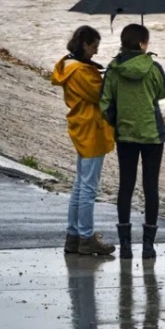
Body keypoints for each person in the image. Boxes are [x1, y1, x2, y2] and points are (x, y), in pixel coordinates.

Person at [100, 24, 165, 259]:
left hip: (125, 135)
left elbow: (105, 102)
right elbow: (161, 93)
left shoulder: (113, 69)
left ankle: (126, 246)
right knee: (151, 187)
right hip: (152, 135)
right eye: (146, 41)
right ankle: (148, 246)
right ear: (141, 44)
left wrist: (117, 122)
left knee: (125, 186)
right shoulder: (154, 68)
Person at [52, 25, 116, 256]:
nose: (96, 53)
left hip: (80, 126)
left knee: (80, 186)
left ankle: (74, 236)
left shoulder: (68, 66)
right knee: (88, 188)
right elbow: (103, 95)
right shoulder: (82, 72)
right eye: (94, 47)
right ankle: (86, 238)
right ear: (85, 44)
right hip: (92, 129)